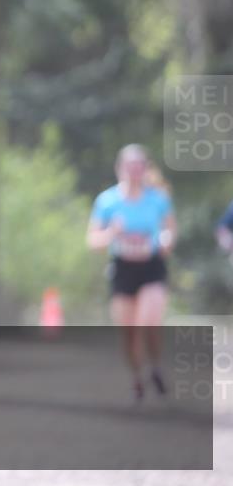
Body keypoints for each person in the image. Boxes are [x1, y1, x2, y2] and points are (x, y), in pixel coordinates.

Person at [86, 144, 176, 405]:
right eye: (129, 166)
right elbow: (93, 241)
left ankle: (155, 365)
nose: (134, 172)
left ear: (145, 169)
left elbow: (170, 231)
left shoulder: (158, 199)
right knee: (128, 332)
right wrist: (112, 233)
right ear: (119, 169)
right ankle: (137, 377)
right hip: (123, 268)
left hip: (151, 267)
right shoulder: (107, 201)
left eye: (139, 166)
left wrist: (164, 241)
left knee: (148, 322)